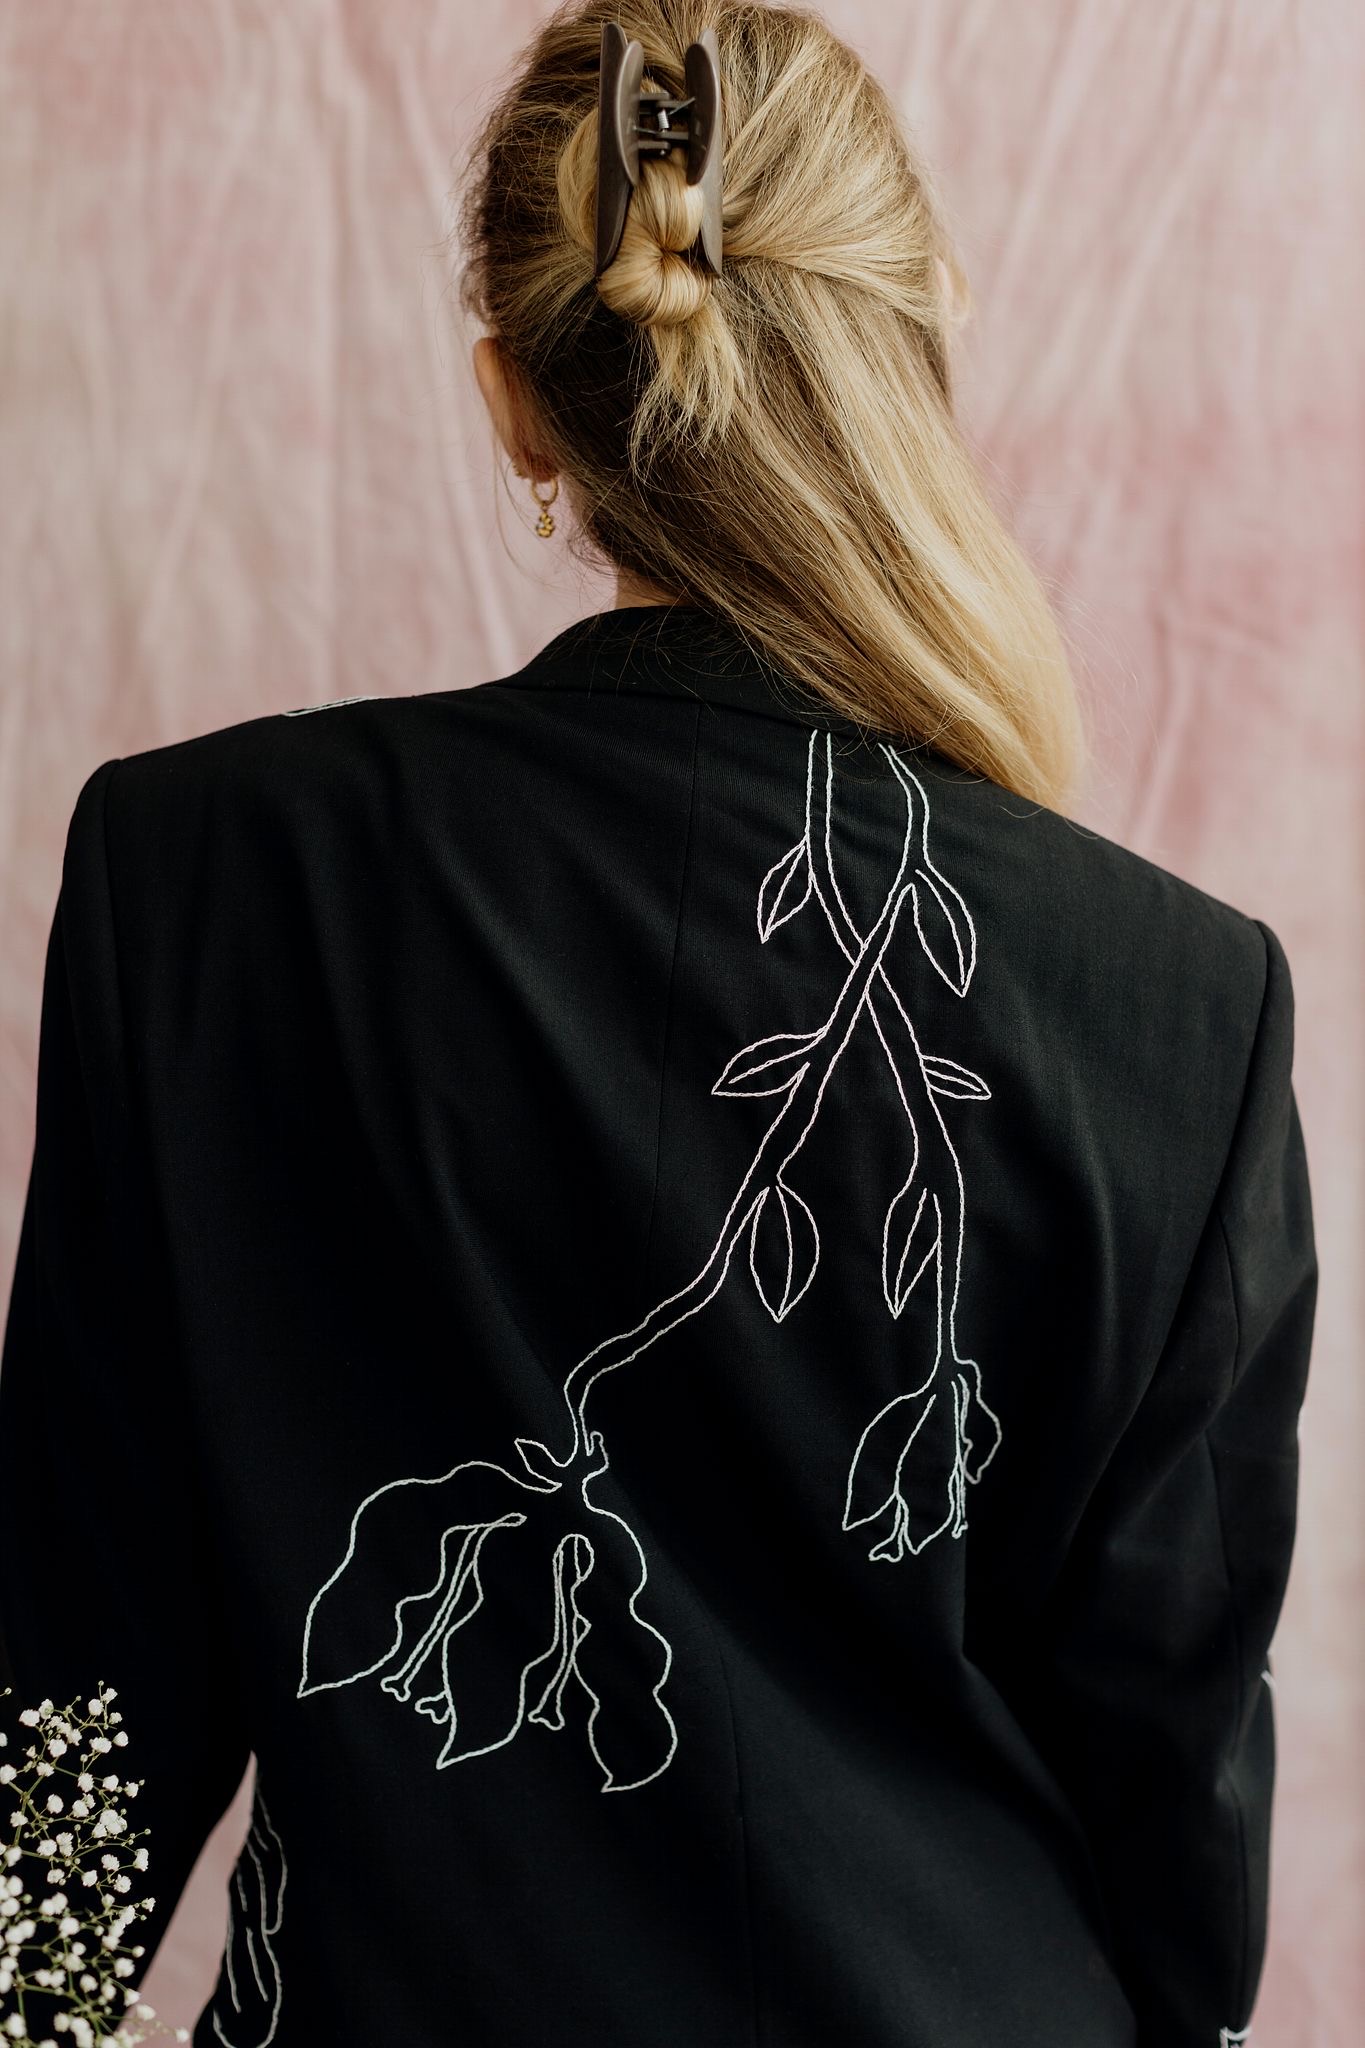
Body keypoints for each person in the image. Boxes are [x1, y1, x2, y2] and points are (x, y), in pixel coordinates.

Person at [0, 3, 1316, 2045]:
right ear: (911, 347)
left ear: (518, 404)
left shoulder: (206, 879)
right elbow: (1170, 1816)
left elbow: (83, 1693)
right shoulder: (1175, 1004)